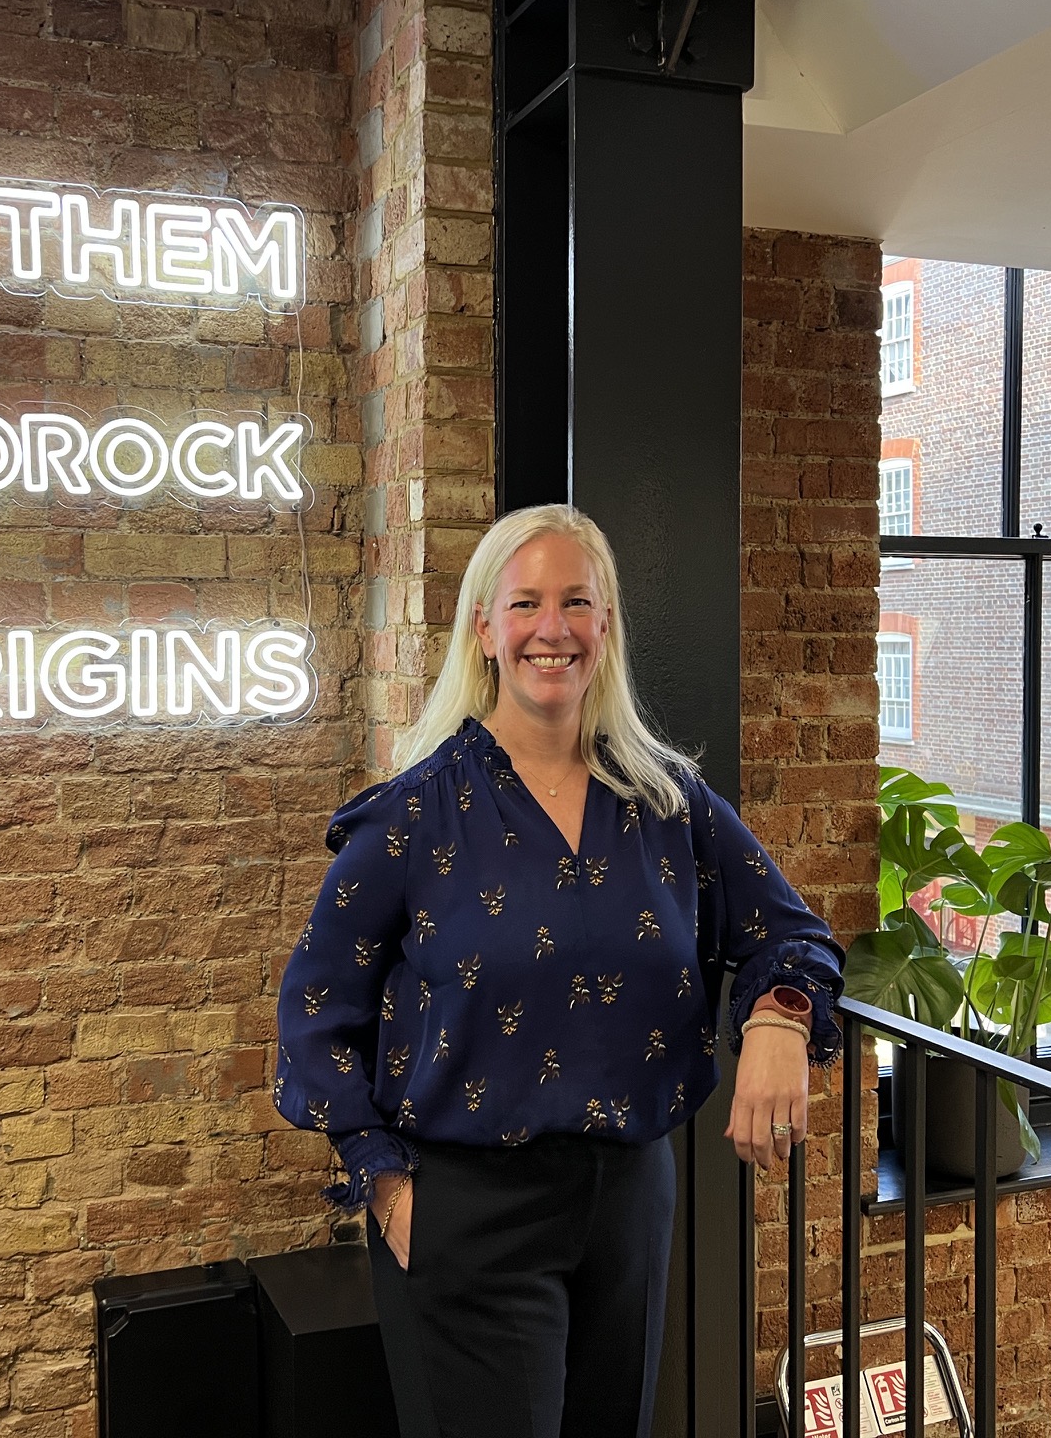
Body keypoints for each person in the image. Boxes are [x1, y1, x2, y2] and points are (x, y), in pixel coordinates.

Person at [274, 504, 844, 1437]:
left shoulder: (667, 802)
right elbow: (313, 1012)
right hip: (467, 1208)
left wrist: (779, 1016)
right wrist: (384, 1184)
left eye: (577, 602)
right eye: (526, 603)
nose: (554, 628)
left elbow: (794, 935)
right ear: (484, 629)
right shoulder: (414, 816)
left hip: (629, 1203)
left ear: (605, 625)